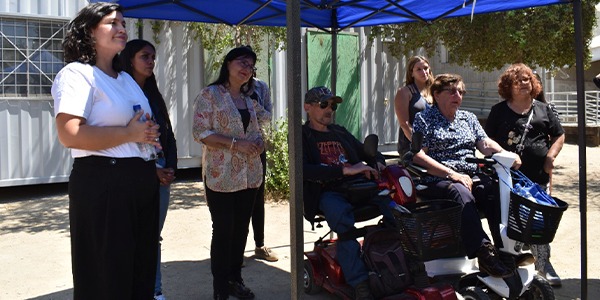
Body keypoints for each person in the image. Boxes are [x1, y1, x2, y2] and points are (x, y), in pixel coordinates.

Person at [51, 2, 160, 299]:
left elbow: (137, 124)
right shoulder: (77, 74)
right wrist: (128, 133)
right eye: (112, 23)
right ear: (89, 31)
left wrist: (147, 137)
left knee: (141, 271)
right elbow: (69, 134)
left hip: (139, 178)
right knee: (107, 275)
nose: (122, 29)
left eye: (123, 23)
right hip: (104, 181)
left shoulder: (126, 79)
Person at [412, 74, 522, 278]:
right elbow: (418, 155)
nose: (458, 96)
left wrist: (505, 154)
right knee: (461, 192)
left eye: (461, 92)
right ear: (436, 94)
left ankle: (504, 250)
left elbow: (485, 143)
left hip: (471, 175)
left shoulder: (468, 118)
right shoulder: (424, 119)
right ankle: (484, 253)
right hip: (440, 178)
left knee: (493, 189)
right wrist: (451, 173)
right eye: (452, 91)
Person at [193, 46, 270, 300]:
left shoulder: (250, 100)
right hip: (221, 175)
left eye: (251, 66)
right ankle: (220, 288)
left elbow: (260, 127)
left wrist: (259, 142)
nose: (247, 69)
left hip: (249, 175)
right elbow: (200, 132)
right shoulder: (210, 95)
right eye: (242, 63)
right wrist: (236, 144)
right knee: (224, 229)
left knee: (241, 231)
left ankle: (236, 280)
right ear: (228, 63)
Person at [302, 86, 394, 300]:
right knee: (343, 221)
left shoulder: (339, 131)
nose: (329, 109)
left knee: (395, 208)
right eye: (323, 104)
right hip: (328, 191)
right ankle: (360, 283)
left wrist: (378, 164)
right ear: (308, 107)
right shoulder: (303, 136)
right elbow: (304, 170)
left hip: (358, 187)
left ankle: (398, 264)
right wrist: (344, 170)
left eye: (332, 105)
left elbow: (369, 152)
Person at [485, 63, 565, 286]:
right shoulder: (498, 111)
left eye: (527, 80)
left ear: (534, 84)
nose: (523, 84)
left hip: (536, 179)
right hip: (506, 180)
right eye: (517, 81)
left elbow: (559, 135)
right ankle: (507, 263)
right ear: (508, 86)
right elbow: (485, 141)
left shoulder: (544, 109)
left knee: (538, 223)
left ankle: (544, 264)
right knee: (506, 223)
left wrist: (551, 157)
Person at [119, 39, 178, 299]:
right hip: (134, 172)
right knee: (131, 235)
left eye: (153, 57)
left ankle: (155, 291)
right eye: (145, 56)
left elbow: (169, 135)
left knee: (153, 236)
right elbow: (126, 140)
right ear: (130, 59)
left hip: (161, 172)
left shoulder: (153, 94)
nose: (151, 61)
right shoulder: (120, 92)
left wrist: (171, 168)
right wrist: (151, 169)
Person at [247, 77, 278, 262]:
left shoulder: (261, 87)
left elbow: (267, 117)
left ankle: (260, 245)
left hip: (257, 147)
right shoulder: (224, 89)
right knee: (237, 200)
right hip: (232, 150)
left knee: (258, 197)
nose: (246, 70)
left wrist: (250, 104)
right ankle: (236, 252)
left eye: (250, 66)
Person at [394, 55, 434, 156]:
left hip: (433, 145)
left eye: (425, 68)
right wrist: (419, 145)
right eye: (419, 69)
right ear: (412, 73)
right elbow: (404, 124)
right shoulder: (405, 92)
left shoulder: (435, 91)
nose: (424, 72)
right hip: (412, 146)